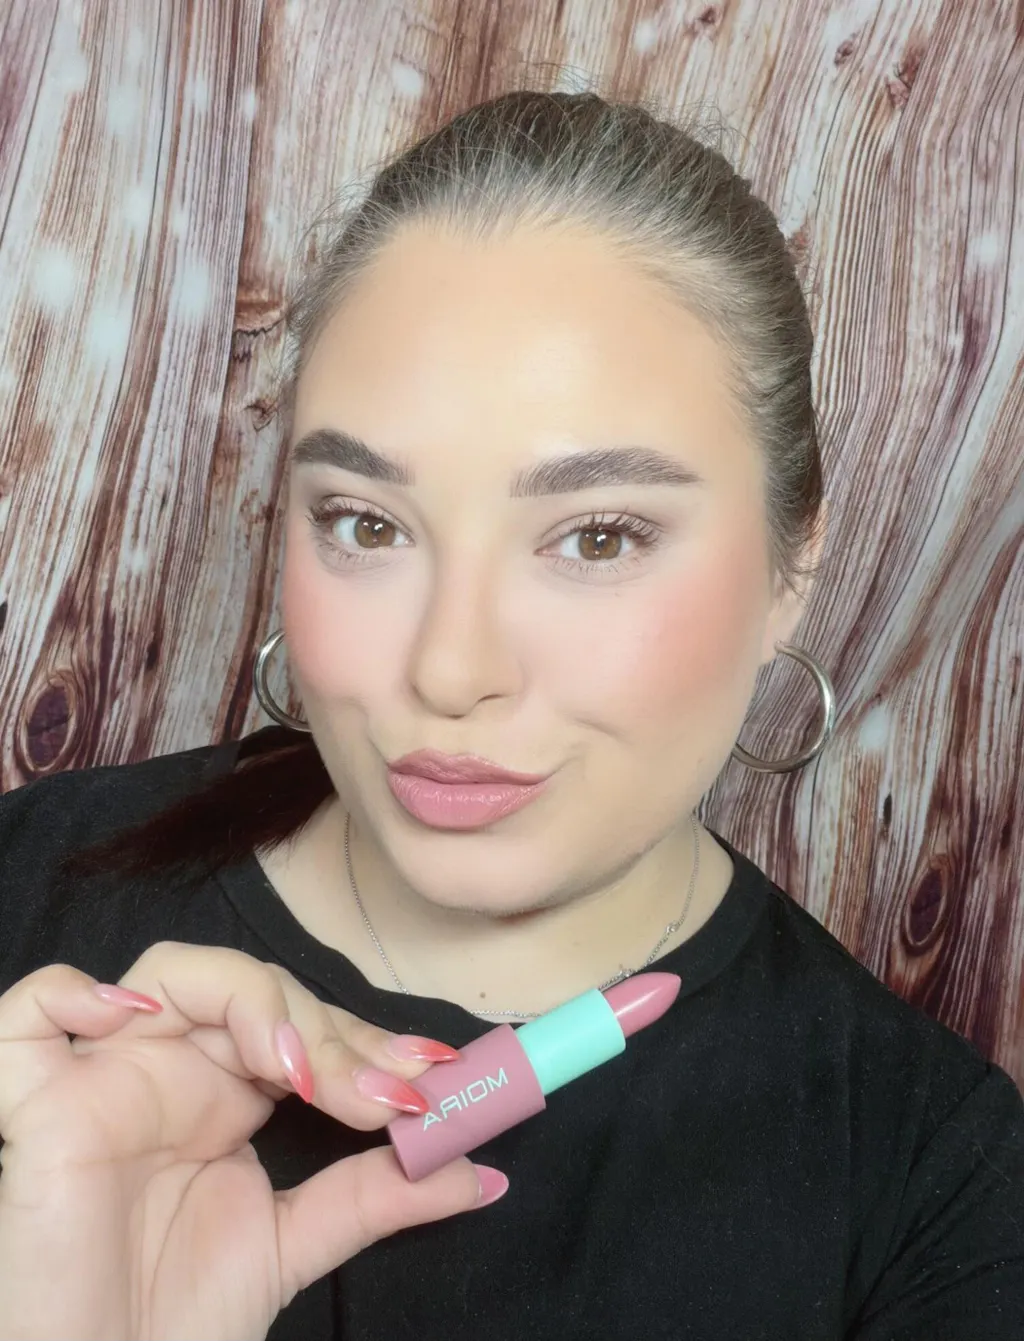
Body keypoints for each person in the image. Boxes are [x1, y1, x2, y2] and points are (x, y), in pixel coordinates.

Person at [0, 88, 1021, 1341]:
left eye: (597, 538)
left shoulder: (935, 1191)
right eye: (365, 524)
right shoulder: (25, 893)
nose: (450, 669)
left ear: (791, 567)